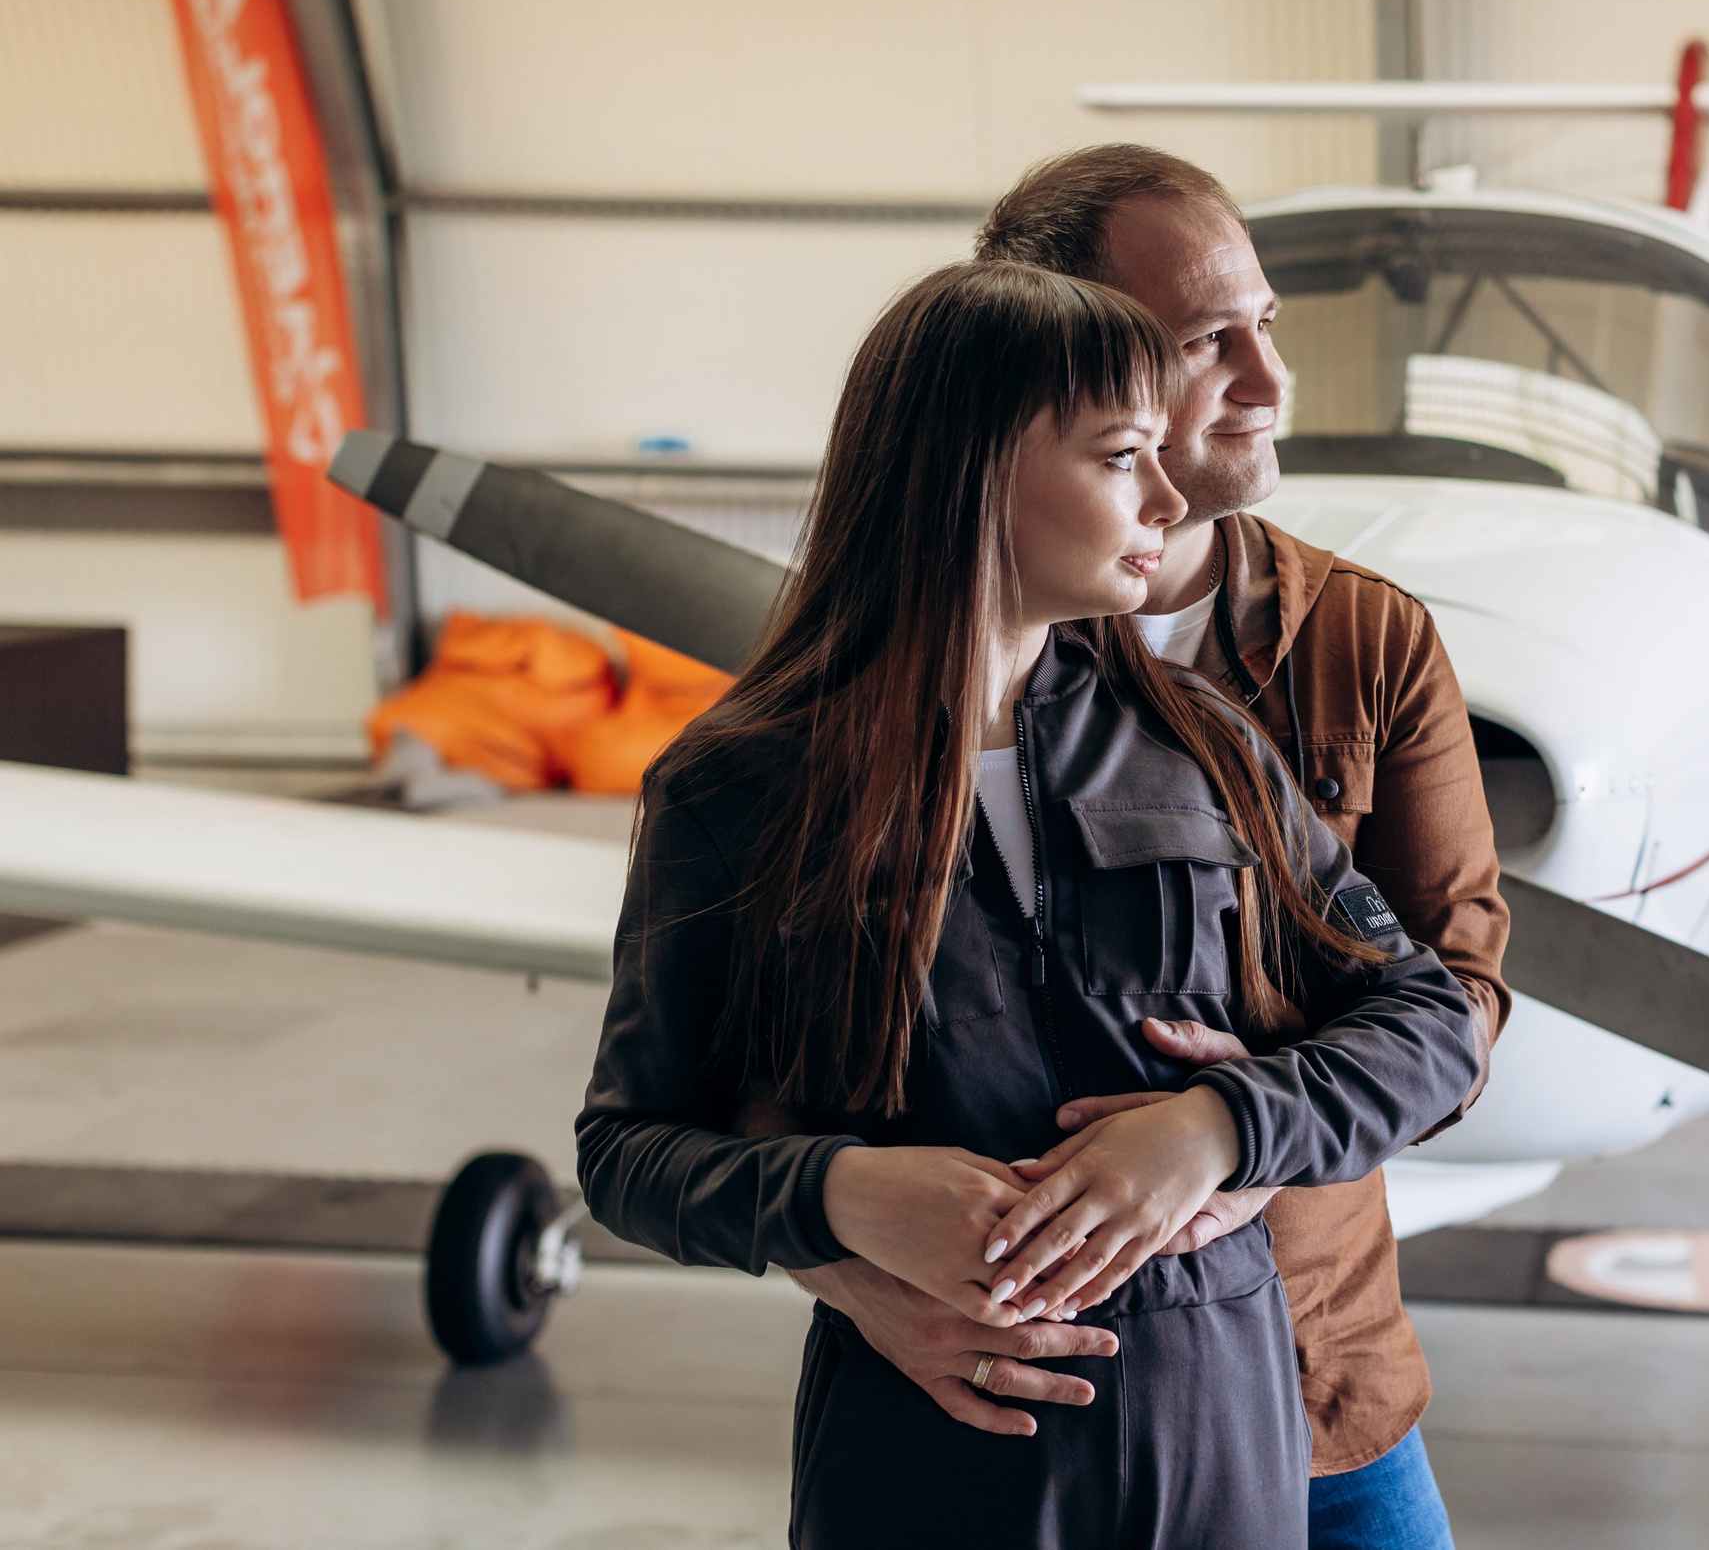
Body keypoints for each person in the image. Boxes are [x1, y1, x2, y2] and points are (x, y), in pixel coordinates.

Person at [576, 260, 1484, 1549]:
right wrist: (842, 1199)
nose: (1170, 497)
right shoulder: (738, 787)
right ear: (974, 472)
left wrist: (1222, 1128)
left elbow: (1433, 1022)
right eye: (1124, 456)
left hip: (1223, 1444)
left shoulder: (1209, 746)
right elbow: (629, 1152)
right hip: (929, 1469)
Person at [792, 146, 1511, 1549]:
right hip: (1005, 1408)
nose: (1269, 377)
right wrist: (842, 1261)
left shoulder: (1369, 639)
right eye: (1205, 343)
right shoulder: (853, 716)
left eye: (1268, 324)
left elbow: (1457, 1000)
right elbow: (734, 1086)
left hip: (1321, 1364)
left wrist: (1228, 1136)